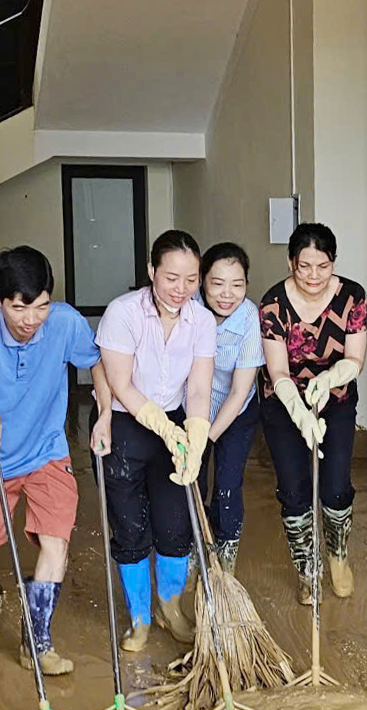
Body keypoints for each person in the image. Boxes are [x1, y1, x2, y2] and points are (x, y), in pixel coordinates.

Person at [0, 246, 109, 675]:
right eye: (20, 308)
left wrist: (105, 413)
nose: (31, 320)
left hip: (45, 451)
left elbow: (96, 364)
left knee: (56, 542)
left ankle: (36, 637)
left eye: (41, 306)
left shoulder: (66, 322)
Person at [96, 230, 216, 652]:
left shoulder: (201, 320)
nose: (181, 289)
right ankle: (140, 617)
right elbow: (120, 384)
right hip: (130, 425)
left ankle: (171, 607)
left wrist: (195, 434)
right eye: (171, 278)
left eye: (191, 279)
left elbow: (200, 387)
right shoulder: (123, 313)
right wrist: (160, 425)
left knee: (175, 523)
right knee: (129, 524)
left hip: (179, 424)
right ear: (151, 272)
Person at [260, 222, 367, 605]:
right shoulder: (273, 304)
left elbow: (355, 357)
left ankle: (338, 556)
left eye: (322, 266)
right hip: (283, 405)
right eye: (304, 266)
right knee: (294, 490)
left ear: (332, 263)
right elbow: (276, 371)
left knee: (336, 486)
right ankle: (308, 571)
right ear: (291, 262)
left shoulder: (352, 296)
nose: (313, 276)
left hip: (335, 401)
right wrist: (297, 408)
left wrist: (332, 377)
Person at [195, 242, 264, 573]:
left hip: (236, 409)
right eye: (217, 283)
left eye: (237, 285)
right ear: (202, 281)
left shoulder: (250, 317)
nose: (227, 294)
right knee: (191, 479)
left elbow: (239, 391)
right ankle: (194, 548)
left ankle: (225, 562)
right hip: (192, 406)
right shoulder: (189, 309)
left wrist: (207, 438)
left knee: (227, 482)